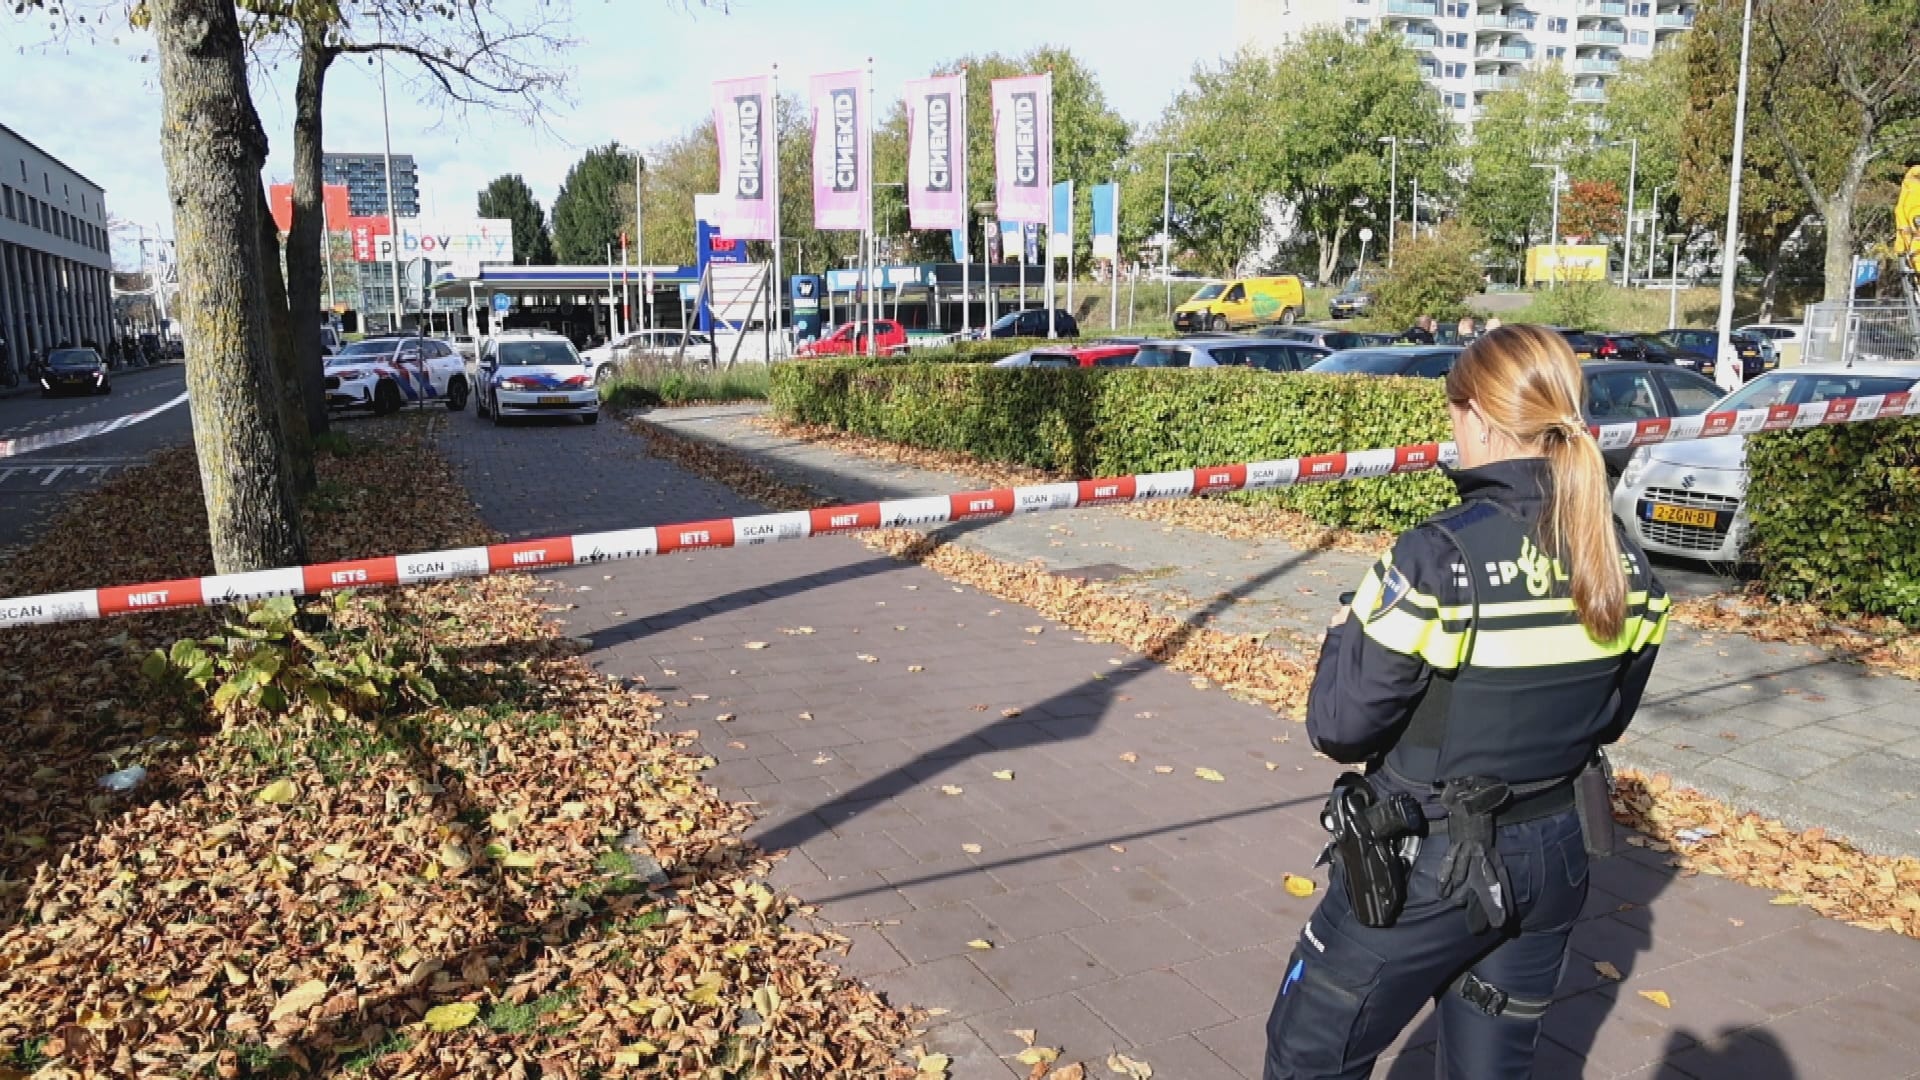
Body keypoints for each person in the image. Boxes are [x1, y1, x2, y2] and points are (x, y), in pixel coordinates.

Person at [1263, 324, 1670, 1080]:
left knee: (1307, 1048)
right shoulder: (1621, 559)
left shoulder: (1433, 559)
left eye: (1453, 415)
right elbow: (1607, 717)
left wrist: (1342, 638)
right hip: (1556, 856)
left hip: (1430, 861)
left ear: (1479, 417)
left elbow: (1339, 728)